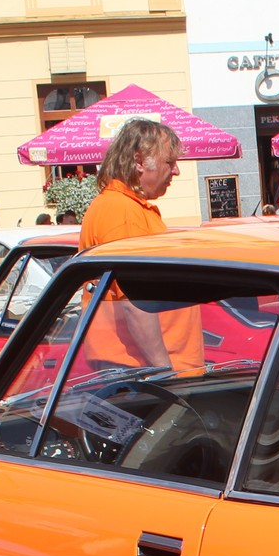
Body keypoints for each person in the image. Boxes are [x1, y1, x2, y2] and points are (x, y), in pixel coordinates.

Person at [78, 117, 201, 378]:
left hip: (140, 367)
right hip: (140, 370)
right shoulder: (122, 211)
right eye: (169, 162)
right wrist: (164, 371)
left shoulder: (125, 207)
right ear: (139, 161)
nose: (176, 171)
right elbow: (135, 304)